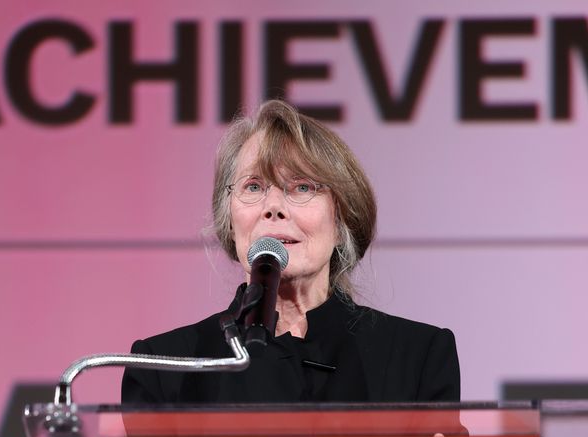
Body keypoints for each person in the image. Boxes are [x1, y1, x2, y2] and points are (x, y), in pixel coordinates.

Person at [121, 100, 460, 405]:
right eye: (254, 186)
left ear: (342, 219)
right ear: (230, 221)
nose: (273, 206)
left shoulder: (417, 357)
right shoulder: (164, 366)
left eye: (301, 187)